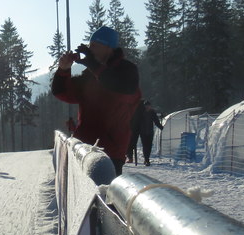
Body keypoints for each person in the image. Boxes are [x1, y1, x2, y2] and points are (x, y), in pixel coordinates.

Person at [51, 25, 141, 176]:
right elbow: (62, 93)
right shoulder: (90, 75)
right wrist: (63, 70)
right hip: (84, 148)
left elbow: (118, 87)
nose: (90, 49)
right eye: (90, 45)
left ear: (108, 48)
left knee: (104, 189)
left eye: (94, 45)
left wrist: (92, 64)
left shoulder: (126, 70)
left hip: (110, 152)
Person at [128, 100, 163, 166]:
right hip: (143, 132)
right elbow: (137, 121)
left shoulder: (152, 113)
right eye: (146, 106)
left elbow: (156, 121)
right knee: (145, 146)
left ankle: (146, 158)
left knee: (149, 146)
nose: (147, 107)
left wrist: (161, 127)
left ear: (150, 106)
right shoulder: (141, 113)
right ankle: (147, 160)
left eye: (148, 106)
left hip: (150, 132)